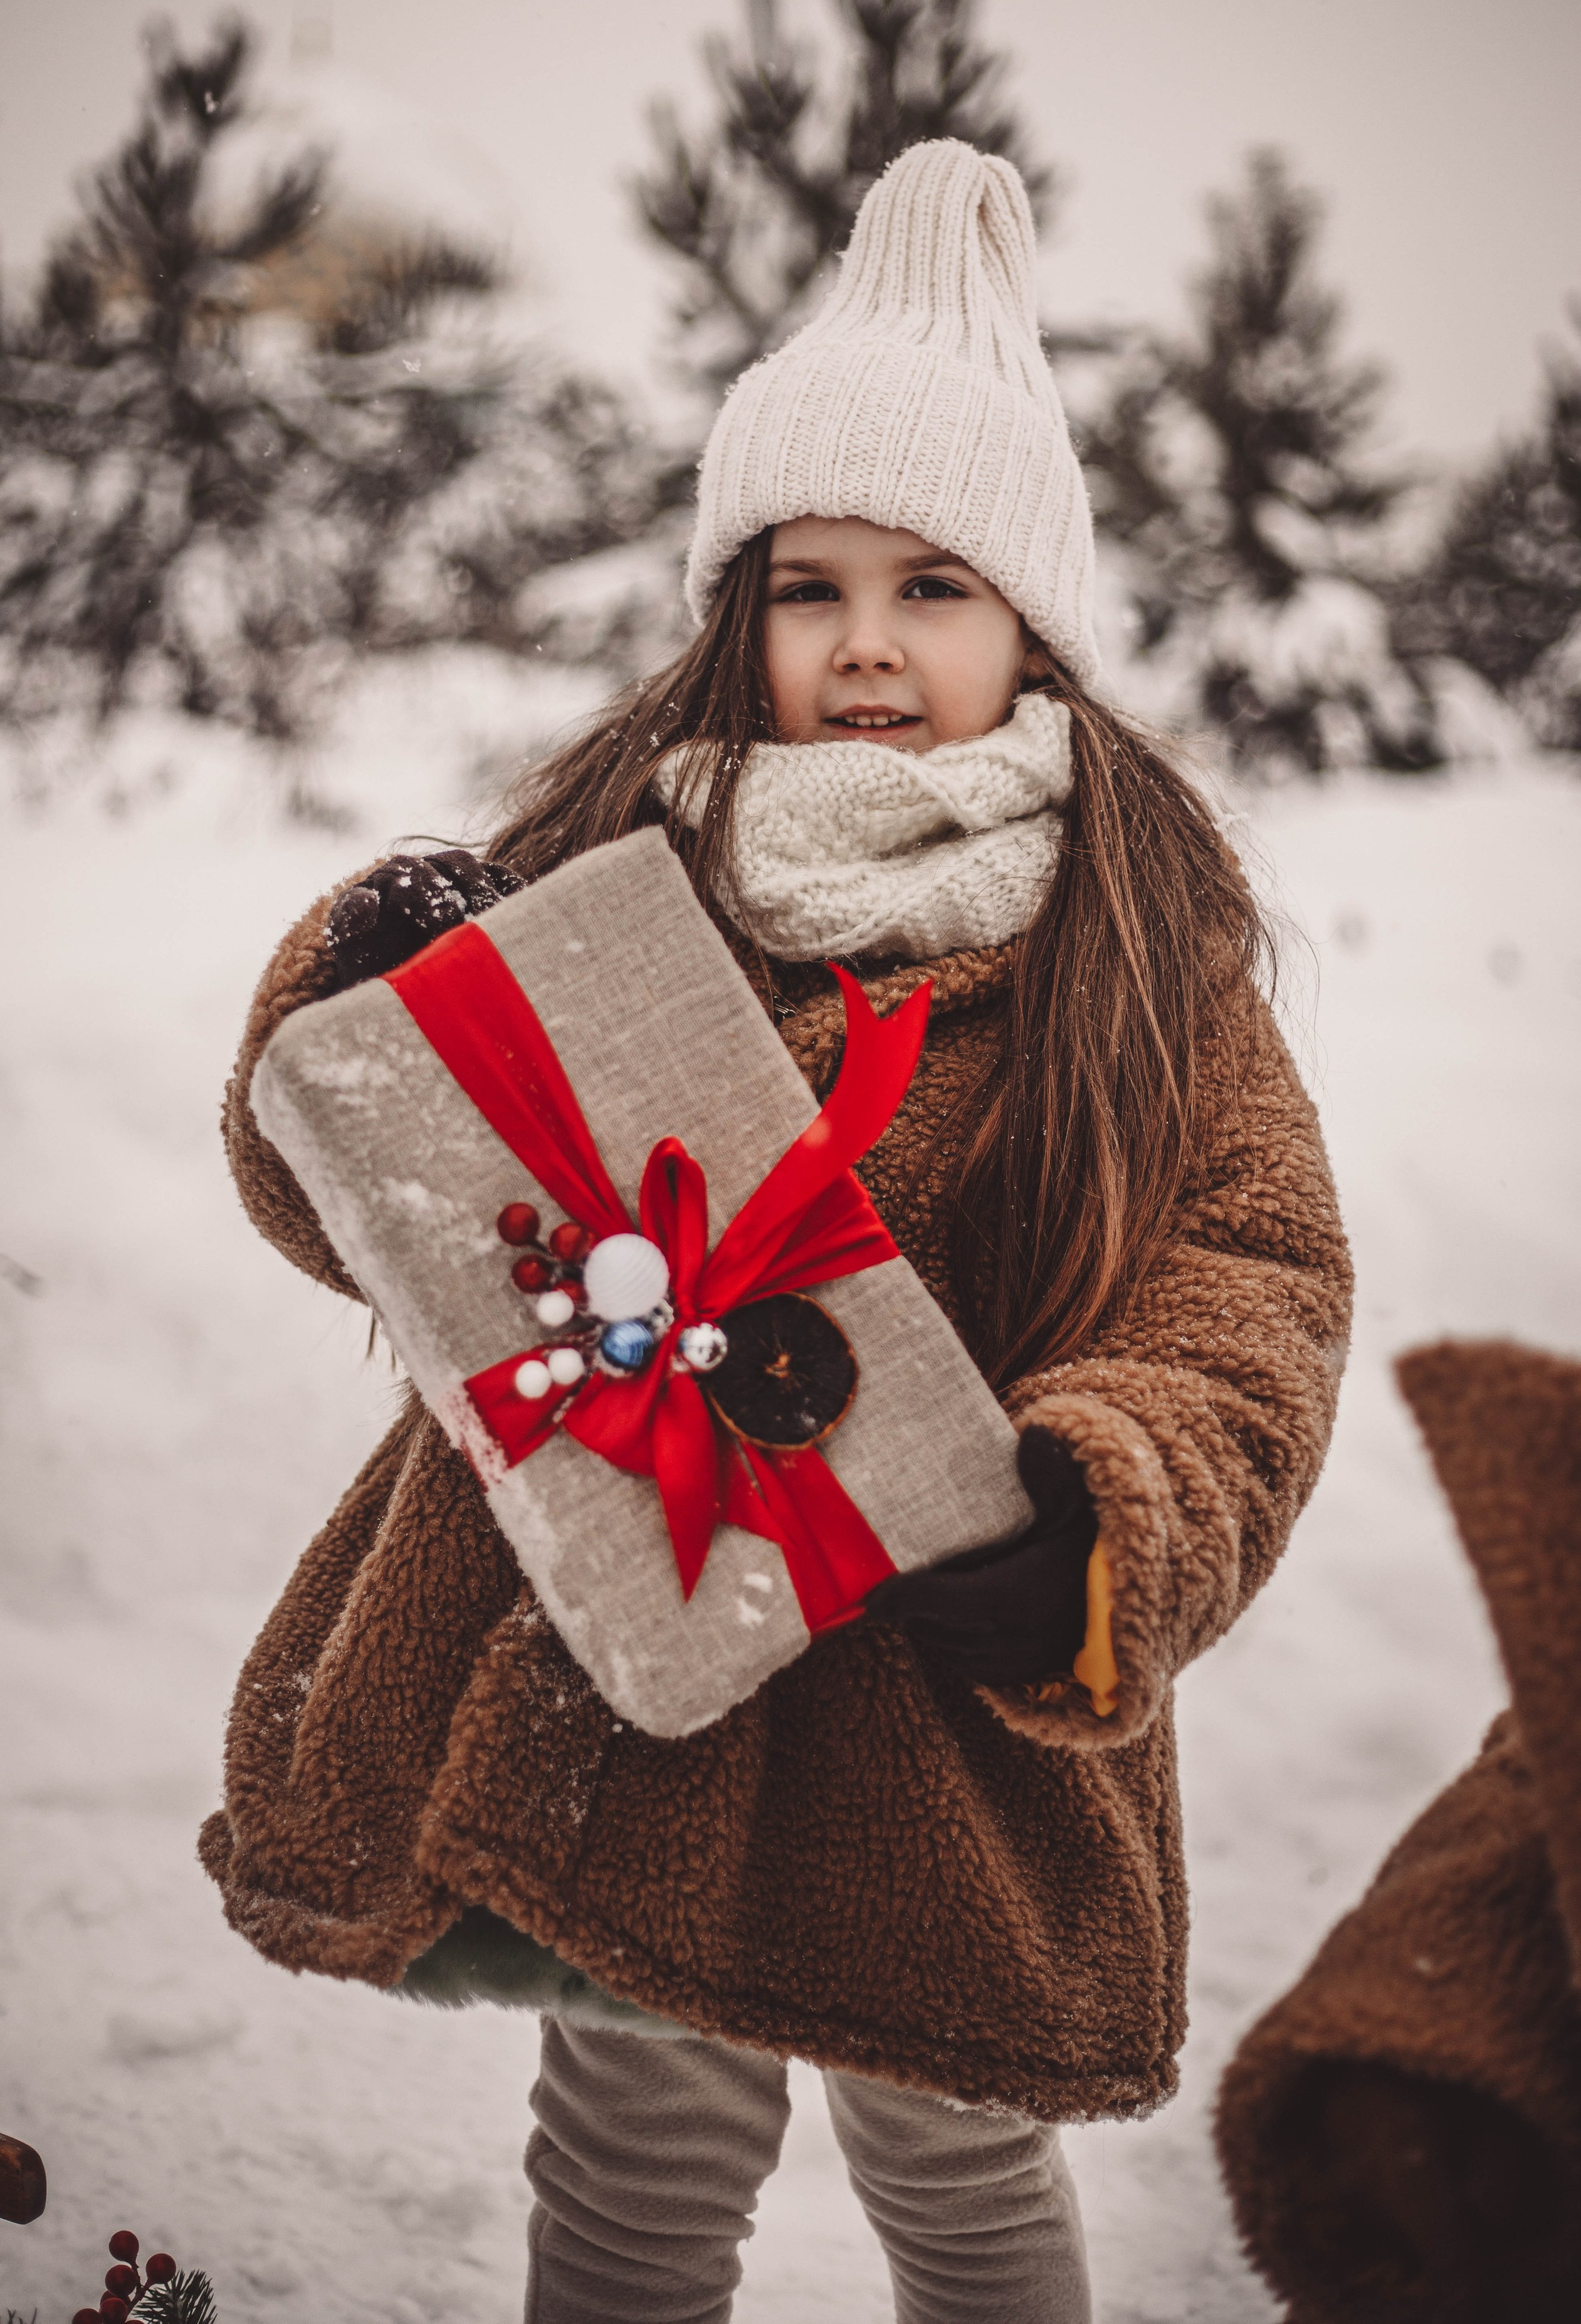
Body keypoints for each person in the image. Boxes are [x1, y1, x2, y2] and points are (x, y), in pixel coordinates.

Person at [202, 140, 1353, 2323]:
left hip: (940, 1706)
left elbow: (1254, 1298)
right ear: (741, 609)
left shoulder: (1137, 955)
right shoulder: (626, 883)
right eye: (809, 583)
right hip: (649, 1692)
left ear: (1031, 622)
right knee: (637, 2156)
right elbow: (359, 1196)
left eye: (933, 584)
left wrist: (1095, 1516)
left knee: (964, 2170)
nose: (865, 644)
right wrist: (358, 989)